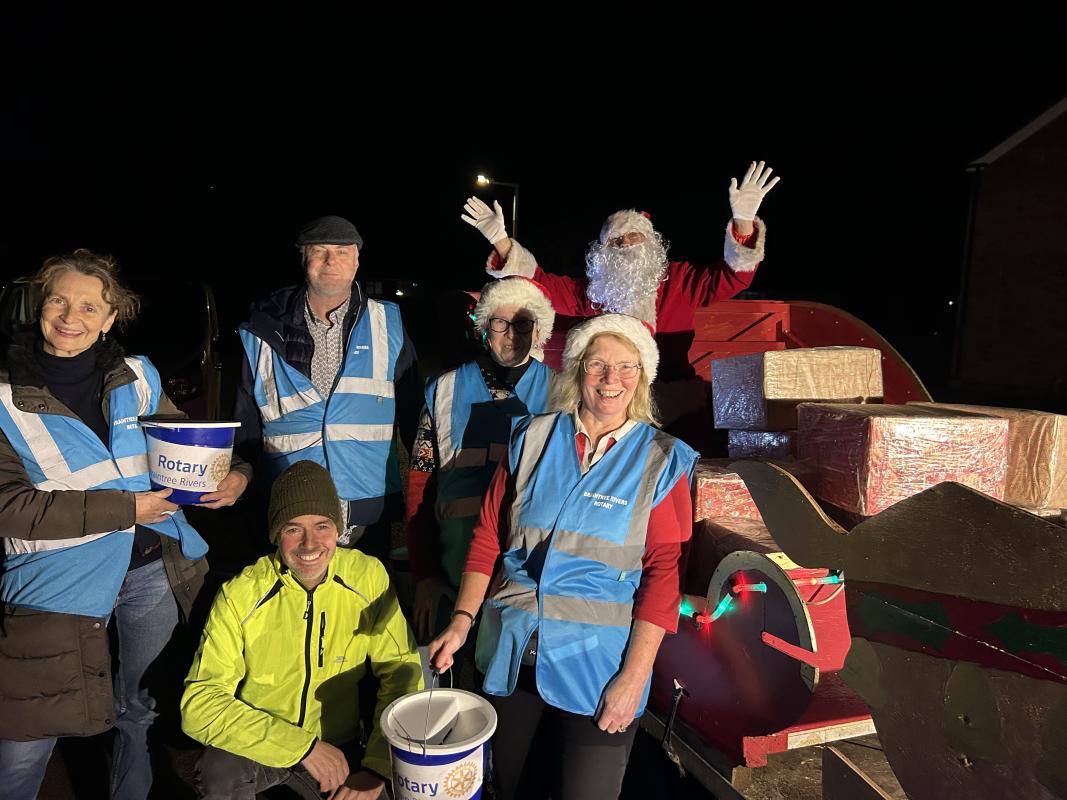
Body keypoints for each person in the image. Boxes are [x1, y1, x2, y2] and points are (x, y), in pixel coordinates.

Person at [0, 248, 250, 800]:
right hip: (56, 587)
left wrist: (233, 474)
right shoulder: (3, 397)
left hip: (151, 573)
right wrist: (126, 509)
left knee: (137, 708)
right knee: (26, 733)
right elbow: (9, 507)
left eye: (90, 307)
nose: (71, 317)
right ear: (40, 305)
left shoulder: (135, 376)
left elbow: (184, 439)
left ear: (111, 319)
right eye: (60, 300)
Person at [429, 314, 699, 800]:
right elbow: (489, 535)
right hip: (513, 652)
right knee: (513, 788)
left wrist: (635, 678)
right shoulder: (531, 436)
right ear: (577, 369)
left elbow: (662, 575)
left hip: (597, 669)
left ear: (641, 376)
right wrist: (462, 620)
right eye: (597, 365)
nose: (610, 379)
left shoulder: (660, 458)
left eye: (625, 367)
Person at [462, 161, 781, 429]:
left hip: (672, 401)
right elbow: (542, 283)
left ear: (651, 243)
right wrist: (502, 242)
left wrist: (743, 221)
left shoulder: (680, 280)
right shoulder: (595, 291)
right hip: (609, 399)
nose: (625, 244)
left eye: (633, 236)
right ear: (603, 252)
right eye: (615, 240)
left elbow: (732, 277)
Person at [181, 460, 423, 800]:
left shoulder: (367, 577)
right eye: (293, 529)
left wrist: (377, 766)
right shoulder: (242, 593)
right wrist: (302, 747)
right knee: (218, 773)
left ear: (338, 529)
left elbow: (403, 672)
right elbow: (199, 705)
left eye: (322, 525)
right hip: (260, 747)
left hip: (340, 749)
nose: (310, 545)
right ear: (276, 534)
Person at [234, 215, 421, 561]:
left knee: (363, 610)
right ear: (303, 258)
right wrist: (240, 476)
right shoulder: (262, 329)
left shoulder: (388, 324)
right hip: (290, 511)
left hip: (366, 512)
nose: (331, 261)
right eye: (320, 251)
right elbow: (245, 424)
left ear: (357, 261)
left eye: (342, 252)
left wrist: (429, 490)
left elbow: (414, 415)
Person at [406, 276, 556, 642]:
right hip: (453, 576)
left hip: (531, 587)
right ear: (485, 328)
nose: (511, 334)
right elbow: (418, 489)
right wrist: (425, 574)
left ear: (538, 331)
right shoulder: (444, 390)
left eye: (523, 324)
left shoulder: (562, 394)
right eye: (500, 323)